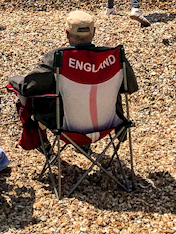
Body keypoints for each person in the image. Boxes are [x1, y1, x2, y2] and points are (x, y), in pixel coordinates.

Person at [8, 10, 138, 155]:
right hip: (108, 124)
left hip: (66, 128)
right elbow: (130, 87)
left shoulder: (58, 58)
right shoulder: (114, 56)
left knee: (30, 99)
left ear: (67, 34)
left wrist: (13, 80)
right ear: (94, 32)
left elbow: (29, 87)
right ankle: (82, 146)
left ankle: (40, 140)